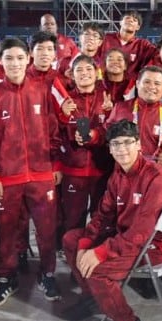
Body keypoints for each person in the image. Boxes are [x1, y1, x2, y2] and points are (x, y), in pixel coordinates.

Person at [61, 120, 162, 321]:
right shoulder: (117, 174)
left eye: (127, 143)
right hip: (126, 238)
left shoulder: (157, 177)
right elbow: (102, 214)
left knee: (98, 271)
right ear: (110, 149)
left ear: (139, 145)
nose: (122, 149)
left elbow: (142, 231)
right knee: (71, 240)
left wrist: (101, 252)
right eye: (116, 144)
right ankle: (94, 297)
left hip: (152, 246)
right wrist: (86, 244)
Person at [0, 38, 63, 307]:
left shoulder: (42, 90)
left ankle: (47, 274)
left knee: (47, 230)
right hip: (8, 179)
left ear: (28, 59)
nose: (14, 63)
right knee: (7, 232)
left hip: (41, 176)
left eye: (19, 57)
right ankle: (6, 278)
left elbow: (54, 132)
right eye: (8, 58)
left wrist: (56, 166)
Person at [57, 55, 113, 247]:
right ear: (72, 75)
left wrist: (97, 134)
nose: (84, 74)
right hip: (73, 171)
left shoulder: (107, 98)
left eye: (88, 69)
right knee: (73, 217)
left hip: (101, 170)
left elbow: (114, 130)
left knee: (101, 217)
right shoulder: (65, 101)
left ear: (96, 73)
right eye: (78, 70)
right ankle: (73, 255)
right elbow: (54, 133)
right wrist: (63, 117)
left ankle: (94, 254)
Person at [107, 66, 162, 181]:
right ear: (137, 83)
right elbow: (106, 137)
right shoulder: (120, 109)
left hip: (156, 178)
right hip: (123, 175)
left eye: (157, 83)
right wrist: (92, 136)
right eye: (147, 82)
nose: (151, 87)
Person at [101, 11, 157, 80]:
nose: (130, 20)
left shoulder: (143, 44)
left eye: (134, 20)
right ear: (120, 22)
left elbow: (159, 53)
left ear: (138, 27)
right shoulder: (105, 38)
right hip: (105, 82)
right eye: (127, 18)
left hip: (129, 87)